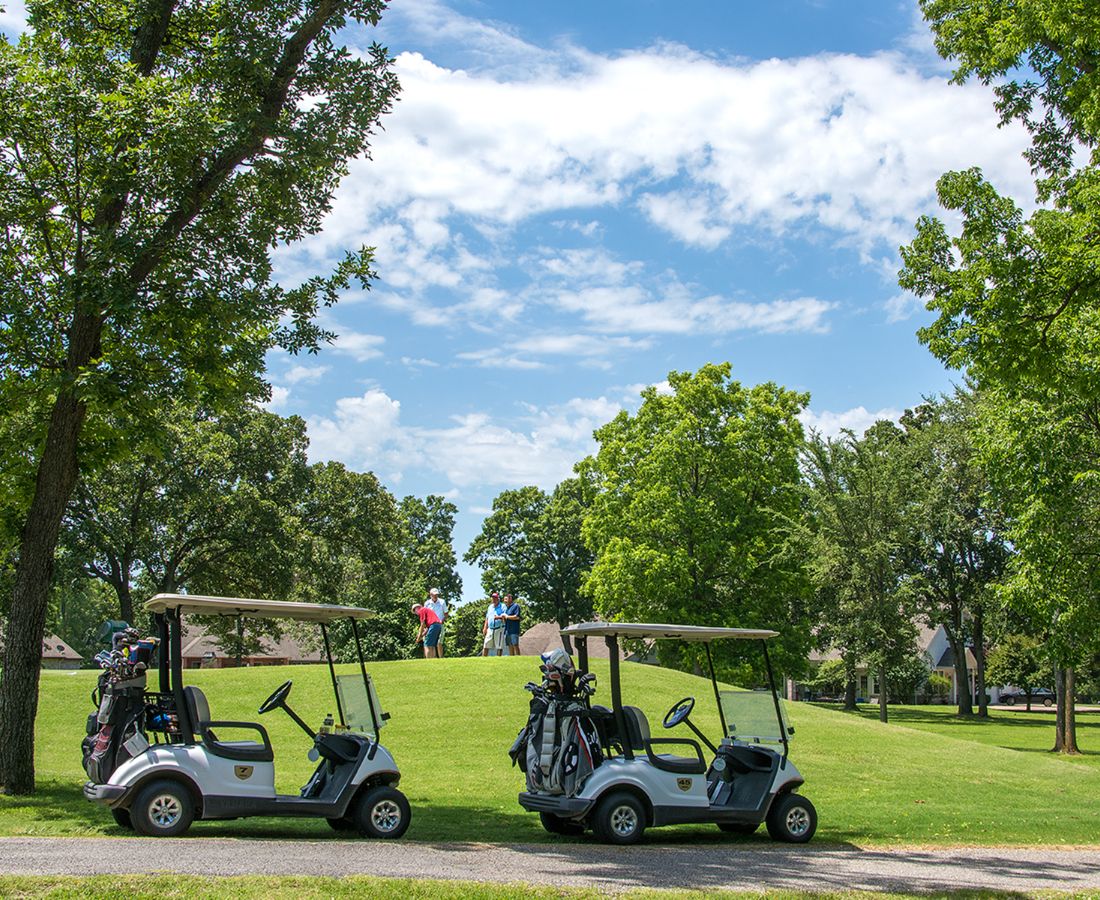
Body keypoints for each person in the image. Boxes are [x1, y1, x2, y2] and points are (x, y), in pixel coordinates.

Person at [482, 592, 505, 657]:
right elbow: (487, 618)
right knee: (486, 644)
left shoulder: (503, 606)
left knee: (499, 646)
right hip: (490, 628)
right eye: (493, 598)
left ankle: (498, 659)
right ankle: (483, 659)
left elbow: (505, 616)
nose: (494, 599)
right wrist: (485, 628)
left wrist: (499, 617)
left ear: (498, 598)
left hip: (499, 628)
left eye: (495, 598)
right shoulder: (490, 607)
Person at [426, 588, 447, 657]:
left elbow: (446, 614)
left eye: (436, 595)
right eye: (434, 595)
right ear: (430, 595)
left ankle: (441, 658)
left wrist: (442, 621)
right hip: (430, 626)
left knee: (439, 643)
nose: (435, 596)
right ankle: (434, 659)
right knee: (431, 644)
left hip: (440, 625)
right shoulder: (427, 603)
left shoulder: (442, 602)